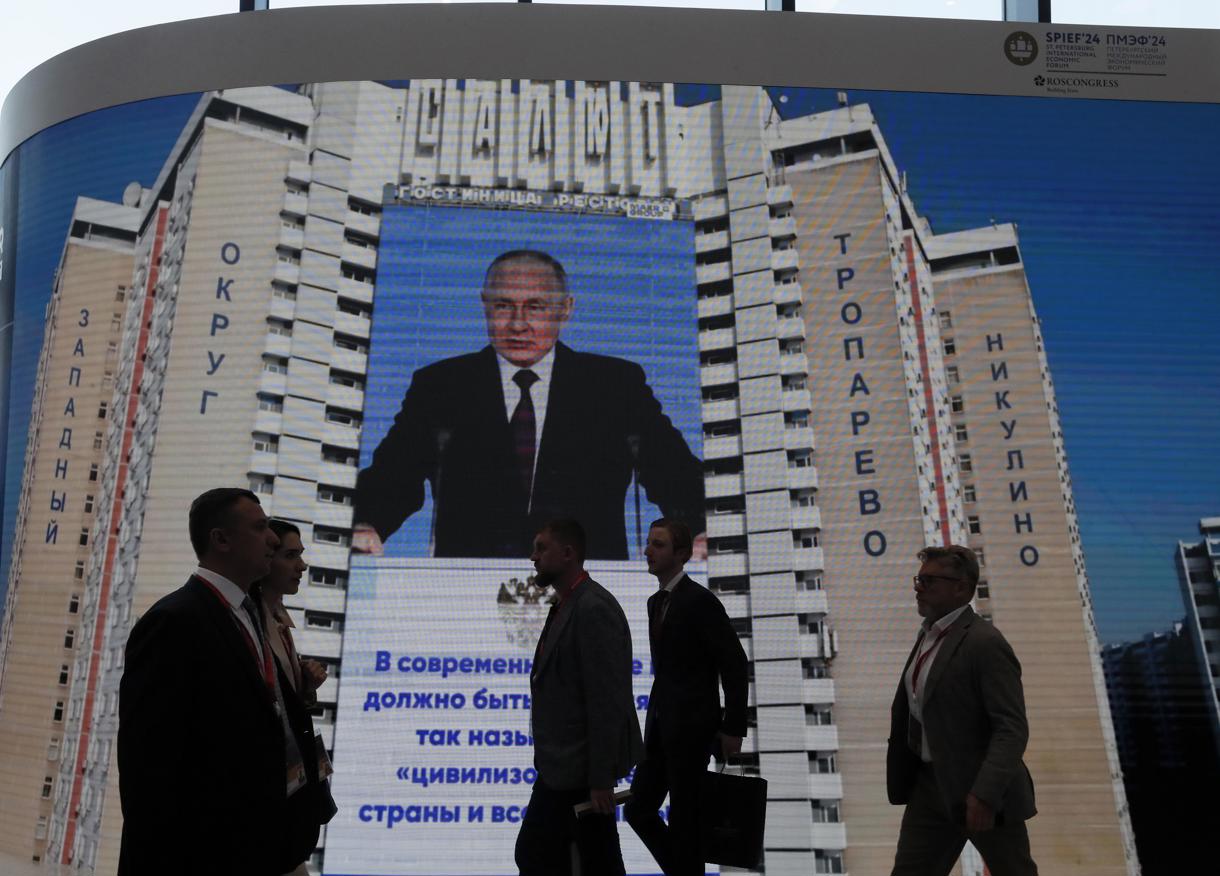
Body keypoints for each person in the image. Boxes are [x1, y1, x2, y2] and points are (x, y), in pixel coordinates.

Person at [352, 248, 705, 560]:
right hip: (466, 594)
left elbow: (672, 470)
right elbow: (393, 475)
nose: (518, 324)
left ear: (566, 309)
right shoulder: (442, 386)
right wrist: (368, 524)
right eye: (503, 306)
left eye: (535, 307)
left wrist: (700, 528)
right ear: (484, 305)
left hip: (586, 592)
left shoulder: (614, 386)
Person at [117, 489, 321, 876]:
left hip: (255, 847)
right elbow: (148, 767)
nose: (274, 539)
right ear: (221, 540)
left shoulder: (249, 614)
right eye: (260, 528)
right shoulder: (174, 622)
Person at [887, 545, 1039, 876]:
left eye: (929, 580)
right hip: (929, 788)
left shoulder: (985, 643)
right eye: (918, 579)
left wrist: (984, 794)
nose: (918, 587)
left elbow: (1011, 728)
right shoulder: (928, 635)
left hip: (981, 791)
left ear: (962, 587)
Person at [514, 519, 643, 876]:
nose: (533, 557)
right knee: (578, 856)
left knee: (543, 853)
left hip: (580, 769)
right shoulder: (567, 604)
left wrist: (600, 778)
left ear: (568, 553)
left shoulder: (592, 608)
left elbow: (606, 700)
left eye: (541, 548)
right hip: (563, 766)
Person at [624, 518, 748, 876]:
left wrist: (732, 727)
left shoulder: (699, 601)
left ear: (681, 555)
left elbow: (734, 663)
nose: (648, 550)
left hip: (693, 733)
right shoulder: (655, 602)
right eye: (648, 543)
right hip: (661, 732)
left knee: (686, 826)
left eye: (658, 545)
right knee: (638, 809)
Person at [251, 519, 338, 875]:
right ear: (266, 558)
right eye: (290, 555)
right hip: (269, 806)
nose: (301, 566)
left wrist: (306, 693)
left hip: (292, 801)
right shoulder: (251, 621)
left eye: (300, 555)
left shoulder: (279, 621)